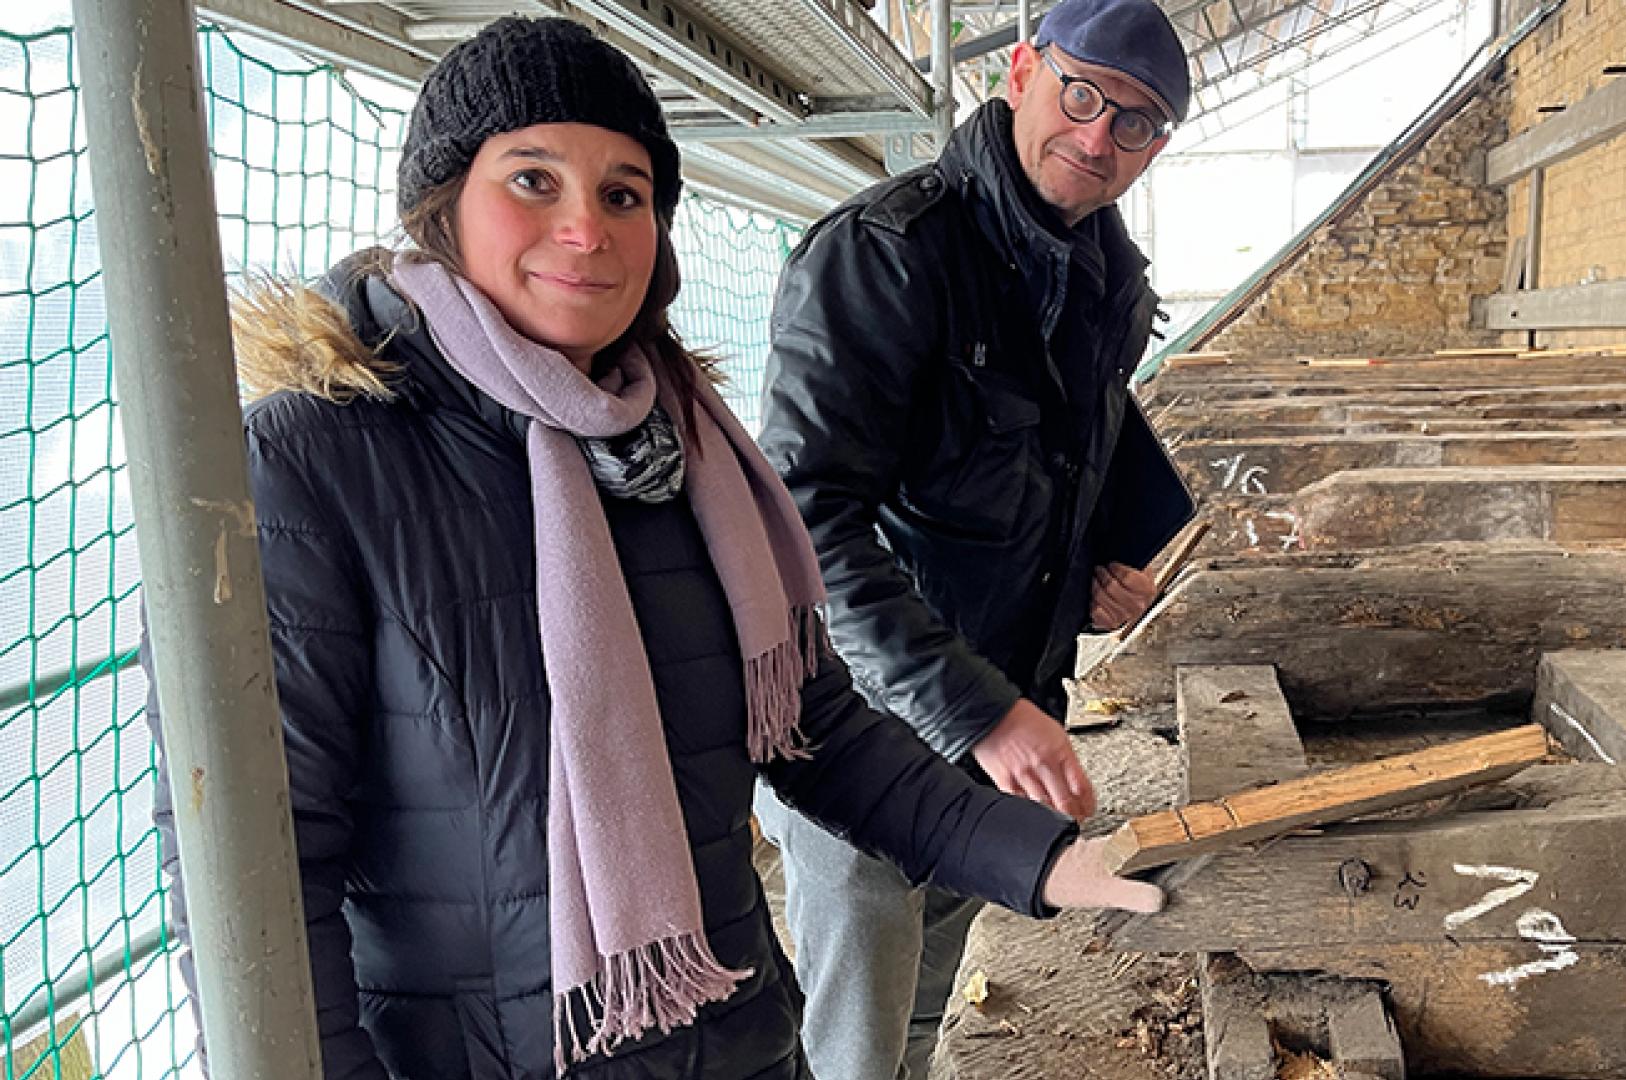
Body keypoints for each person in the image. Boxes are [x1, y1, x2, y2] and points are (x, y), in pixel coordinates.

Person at [140, 16, 1158, 1080]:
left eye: (625, 194)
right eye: (534, 181)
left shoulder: (677, 452)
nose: (587, 230)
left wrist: (1039, 863)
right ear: (441, 206)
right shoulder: (311, 462)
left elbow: (815, 726)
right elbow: (255, 876)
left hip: (734, 1040)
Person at [753, 1, 1194, 1077]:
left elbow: (1057, 459)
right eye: (1082, 95)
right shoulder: (885, 254)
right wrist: (979, 709)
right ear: (1021, 71)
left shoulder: (1105, 278)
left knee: (937, 974)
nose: (1097, 138)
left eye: (1134, 123)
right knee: (857, 993)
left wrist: (1098, 562)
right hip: (861, 713)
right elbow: (802, 517)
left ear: (1157, 146)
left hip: (1006, 696)